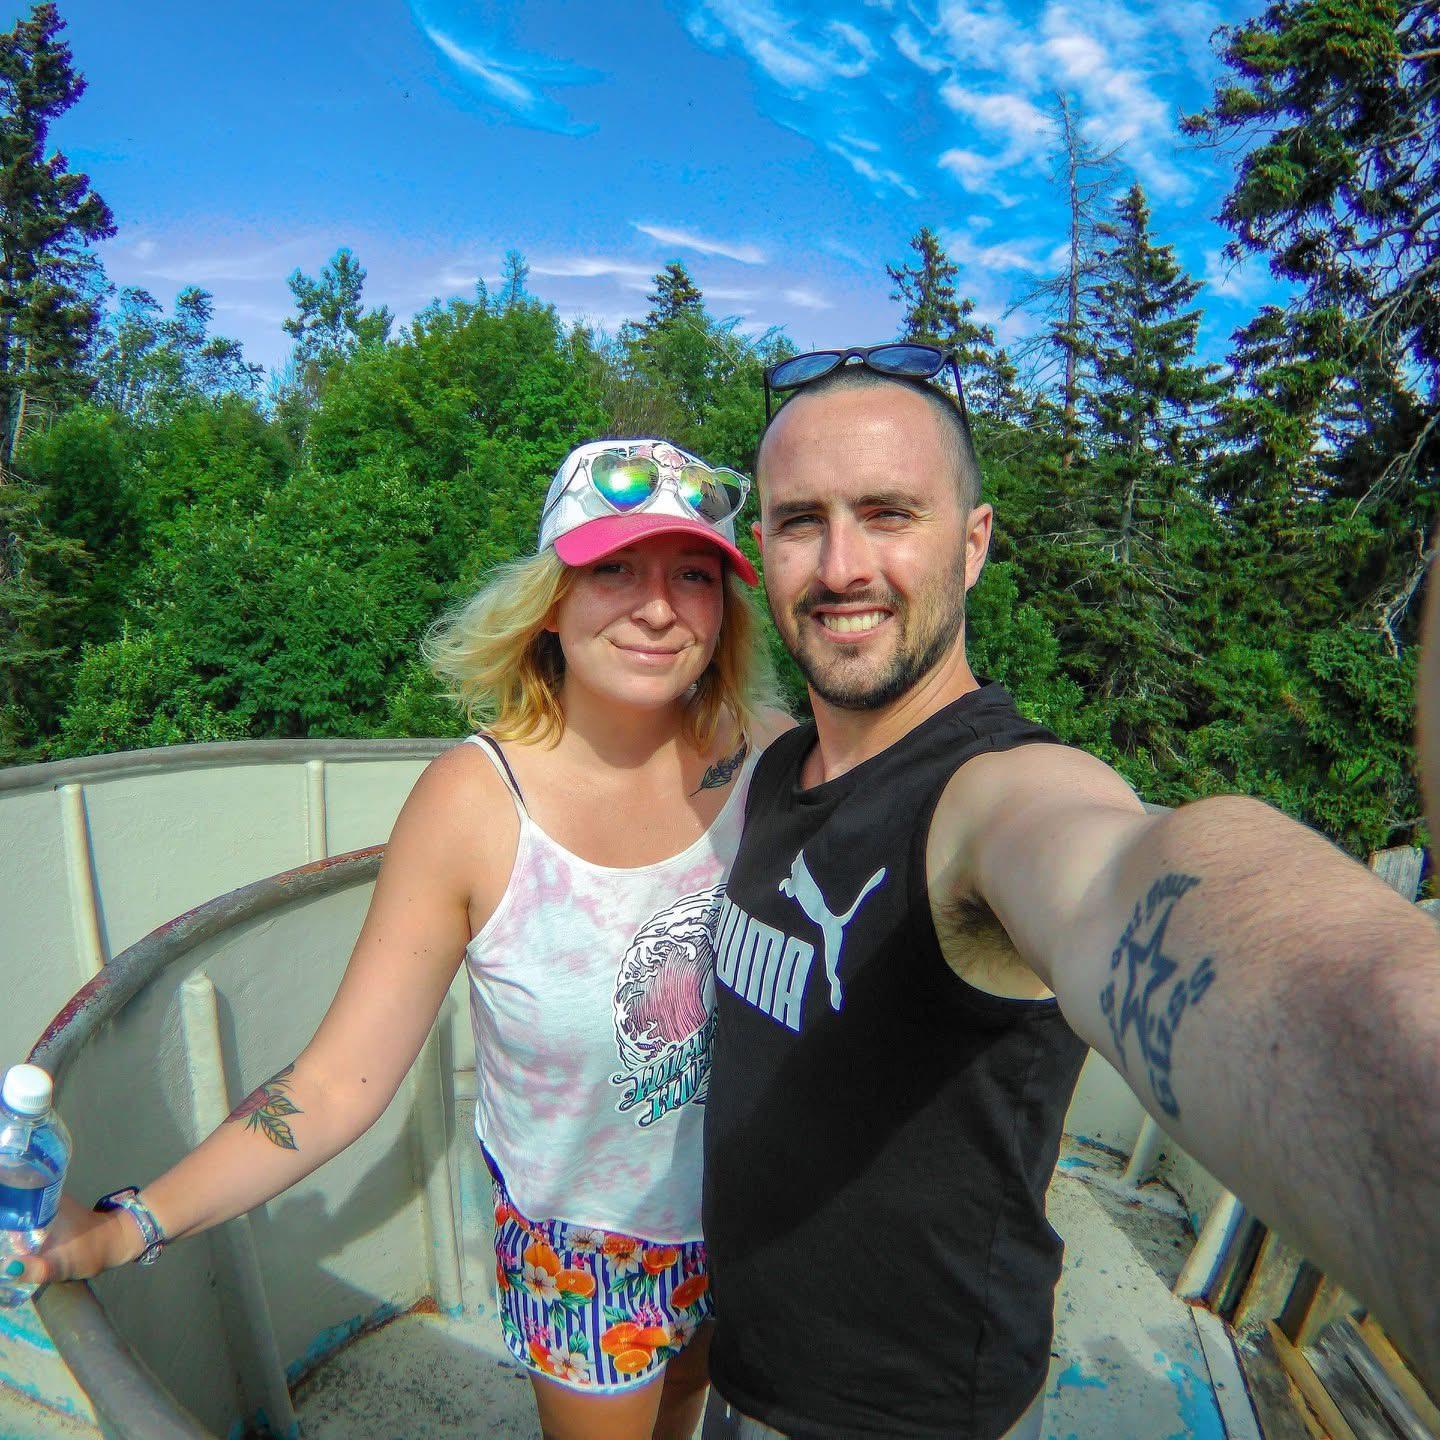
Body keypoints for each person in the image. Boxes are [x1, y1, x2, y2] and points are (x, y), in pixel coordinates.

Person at [699, 346, 1440, 1439]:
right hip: (742, 1370)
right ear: (761, 550)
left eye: (890, 513)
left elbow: (1114, 876)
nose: (843, 565)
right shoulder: (773, 770)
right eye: (801, 521)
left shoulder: (996, 798)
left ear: (974, 544)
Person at [17, 437, 788, 1440]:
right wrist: (129, 1227)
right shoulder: (475, 806)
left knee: (688, 1404)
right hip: (587, 1251)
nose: (657, 608)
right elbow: (338, 1083)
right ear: (551, 599)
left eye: (694, 576)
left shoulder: (773, 758)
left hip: (752, 1201)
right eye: (614, 570)